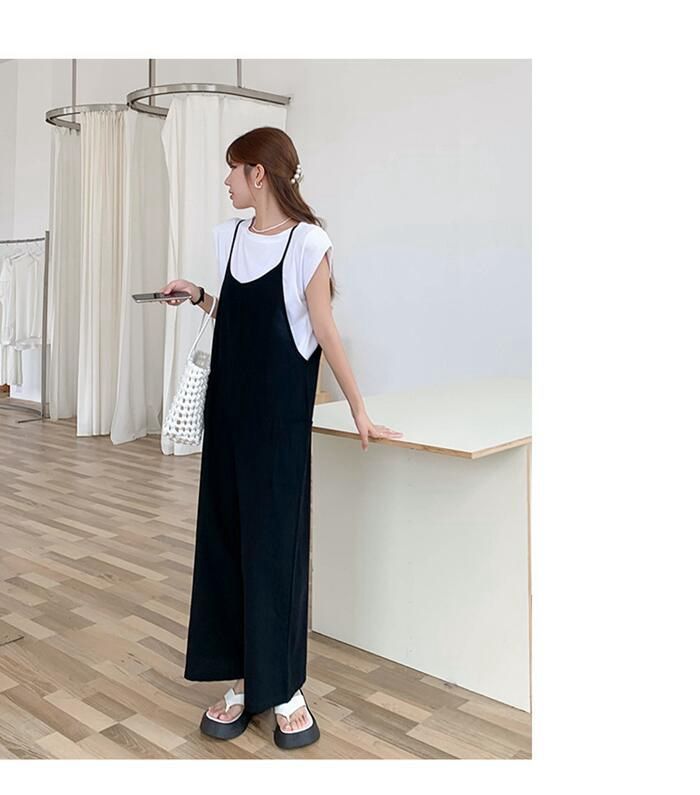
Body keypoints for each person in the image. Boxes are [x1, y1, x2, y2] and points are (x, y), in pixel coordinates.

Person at [161, 126, 403, 750]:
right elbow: (239, 315)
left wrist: (359, 410)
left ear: (259, 174)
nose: (226, 181)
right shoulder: (228, 237)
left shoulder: (308, 243)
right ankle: (244, 681)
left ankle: (286, 687)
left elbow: (322, 329)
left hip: (278, 427)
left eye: (233, 169)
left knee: (275, 549)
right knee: (226, 544)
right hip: (228, 417)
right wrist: (199, 295)